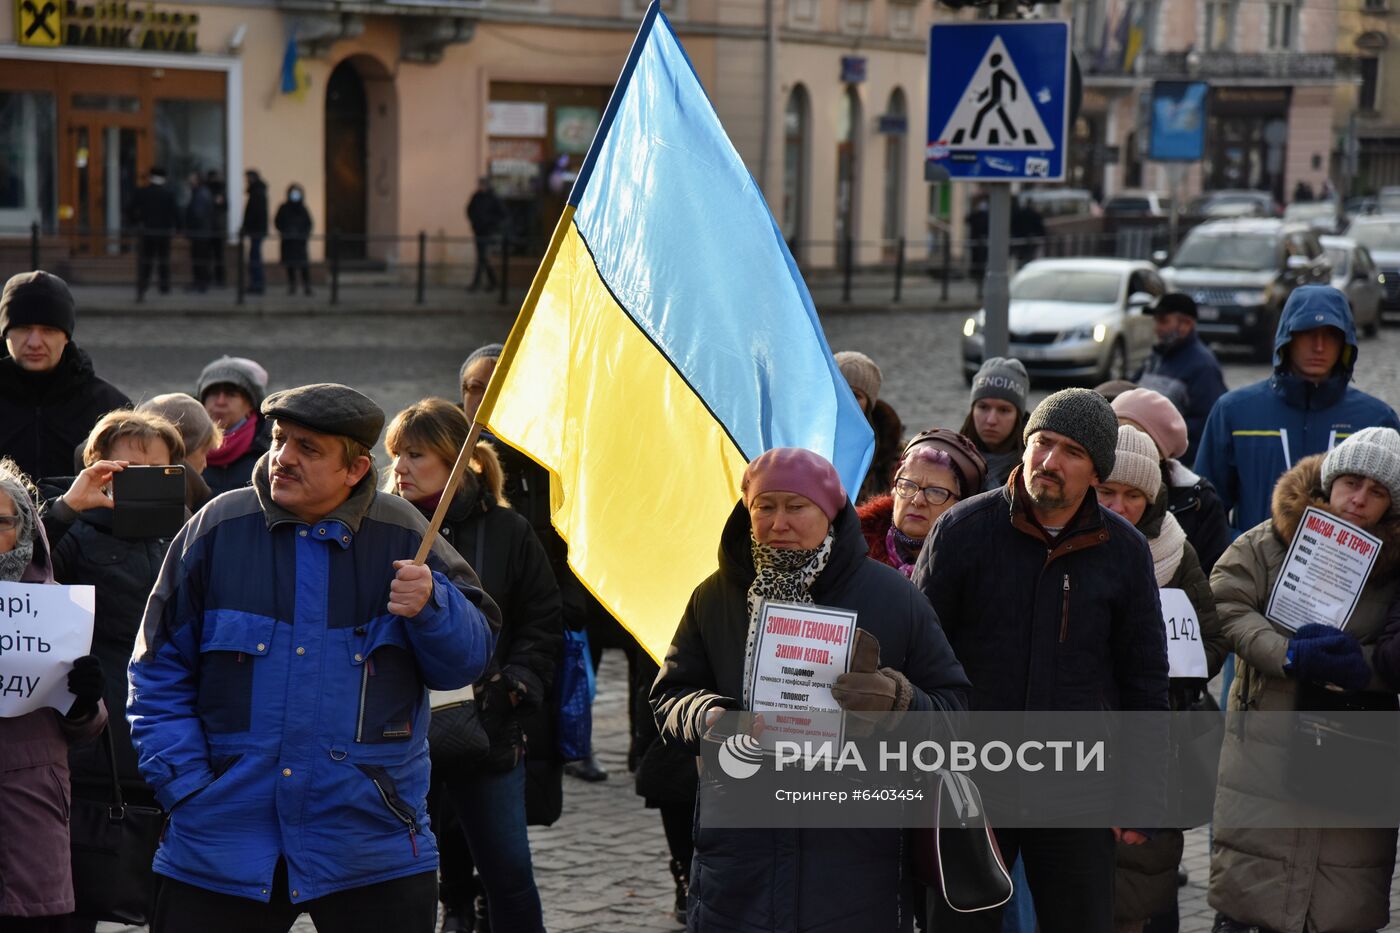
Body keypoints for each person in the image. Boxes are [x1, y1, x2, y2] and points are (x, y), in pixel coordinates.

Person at [127, 383, 500, 933]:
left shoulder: (404, 533)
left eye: (309, 448)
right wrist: (186, 787)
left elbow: (465, 663)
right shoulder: (215, 529)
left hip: (370, 841)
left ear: (354, 469)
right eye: (280, 440)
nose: (284, 457)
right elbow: (156, 671)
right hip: (222, 839)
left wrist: (432, 607)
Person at [651, 447, 969, 931]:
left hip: (856, 860)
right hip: (739, 859)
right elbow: (669, 696)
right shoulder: (714, 597)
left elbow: (955, 715)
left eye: (796, 507)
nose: (779, 522)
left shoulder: (894, 598)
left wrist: (898, 703)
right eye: (765, 506)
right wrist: (708, 716)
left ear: (830, 513)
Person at [913, 388, 1170, 933]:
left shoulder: (1123, 551)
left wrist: (1140, 791)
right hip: (972, 788)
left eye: (1071, 452)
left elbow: (1143, 678)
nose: (1049, 462)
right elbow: (920, 663)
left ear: (1096, 473)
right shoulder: (961, 532)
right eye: (1042, 443)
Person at [1207, 428, 1400, 933]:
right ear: (1329, 480)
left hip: (1354, 753)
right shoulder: (1268, 540)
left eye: (1377, 492)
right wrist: (1286, 653)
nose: (1358, 499)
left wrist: (1363, 665)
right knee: (1254, 893)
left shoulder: (1396, 571)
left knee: (1340, 898)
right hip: (1265, 746)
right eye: (1351, 482)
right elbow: (1224, 604)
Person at [384, 398, 560, 933]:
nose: (402, 468)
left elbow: (543, 622)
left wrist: (513, 687)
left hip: (487, 730)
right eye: (396, 455)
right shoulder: (380, 528)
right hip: (397, 735)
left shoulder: (509, 531)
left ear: (457, 461)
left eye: (416, 454)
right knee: (407, 876)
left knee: (507, 873)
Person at [39, 413, 187, 928]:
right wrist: (63, 510)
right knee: (80, 874)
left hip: (175, 729)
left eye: (156, 467)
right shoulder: (73, 531)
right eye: (128, 466)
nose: (142, 476)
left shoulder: (193, 534)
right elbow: (18, 579)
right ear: (98, 469)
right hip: (92, 728)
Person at [1094, 426, 1225, 933]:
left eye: (1134, 496)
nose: (1121, 505)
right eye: (1108, 491)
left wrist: (1172, 661)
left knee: (1147, 882)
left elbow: (1212, 642)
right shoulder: (1062, 544)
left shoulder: (1177, 550)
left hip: (1156, 740)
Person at [459, 344, 602, 782]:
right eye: (473, 388)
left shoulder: (553, 457)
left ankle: (570, 750)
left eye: (499, 388)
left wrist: (569, 601)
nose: (483, 398)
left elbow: (575, 535)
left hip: (540, 615)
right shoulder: (445, 460)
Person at [1196, 285, 1400, 538]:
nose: (1319, 346)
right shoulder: (1234, 412)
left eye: (1331, 334)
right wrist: (1245, 555)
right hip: (1254, 572)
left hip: (1349, 571)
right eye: (1307, 333)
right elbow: (1205, 511)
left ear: (1346, 342)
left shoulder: (1377, 420)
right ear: (1287, 338)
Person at [0, 459, 107, 932]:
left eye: (0, 522)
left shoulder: (56, 605)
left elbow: (85, 727)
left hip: (30, 802)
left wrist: (84, 700)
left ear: (23, 528)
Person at [0, 271, 130, 482]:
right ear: (5, 333)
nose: (34, 342)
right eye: (23, 328)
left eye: (48, 330)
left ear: (66, 336)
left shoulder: (110, 409)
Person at [1112, 387, 1231, 575]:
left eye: (1138, 435)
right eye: (1114, 432)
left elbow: (1216, 575)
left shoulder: (1198, 501)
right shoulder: (1084, 485)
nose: (1124, 441)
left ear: (1161, 452)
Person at [858, 428, 987, 576]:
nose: (918, 500)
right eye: (907, 485)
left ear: (963, 506)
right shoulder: (851, 549)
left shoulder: (978, 571)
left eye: (936, 491)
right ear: (894, 490)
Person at [1134, 292, 1227, 465]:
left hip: (1174, 465)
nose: (1157, 328)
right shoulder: (1156, 357)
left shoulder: (1203, 367)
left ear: (1186, 325)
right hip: (1147, 458)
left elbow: (1208, 426)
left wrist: (1160, 439)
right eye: (1156, 321)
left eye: (1163, 321)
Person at [198, 355, 272, 497]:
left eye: (230, 394)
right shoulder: (186, 449)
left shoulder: (271, 450)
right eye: (213, 393)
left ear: (251, 404)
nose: (220, 401)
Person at [835, 350, 903, 503]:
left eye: (855, 395)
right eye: (840, 392)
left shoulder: (892, 453)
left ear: (869, 404)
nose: (847, 401)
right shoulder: (808, 441)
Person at [137, 393, 223, 511]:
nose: (205, 463)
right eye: (203, 452)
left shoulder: (110, 492)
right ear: (184, 448)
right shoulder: (205, 510)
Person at [960, 357, 1030, 491]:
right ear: (972, 410)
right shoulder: (950, 461)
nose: (991, 420)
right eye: (983, 407)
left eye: (1004, 410)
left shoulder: (1034, 470)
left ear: (1018, 416)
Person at [131, 166, 179, 300]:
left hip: (146, 232)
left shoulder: (142, 192)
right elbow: (176, 213)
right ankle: (164, 286)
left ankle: (144, 285)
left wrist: (137, 222)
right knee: (164, 260)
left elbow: (130, 210)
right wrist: (178, 228)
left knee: (146, 260)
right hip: (164, 232)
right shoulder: (169, 194)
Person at [466, 177, 505, 292]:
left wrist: (490, 223)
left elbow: (502, 214)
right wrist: (474, 222)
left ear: (487, 185)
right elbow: (469, 210)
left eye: (483, 185)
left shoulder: (493, 198)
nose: (481, 187)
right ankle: (493, 282)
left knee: (482, 257)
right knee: (483, 258)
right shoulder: (476, 197)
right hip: (478, 231)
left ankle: (476, 284)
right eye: (480, 184)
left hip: (488, 232)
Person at [275, 183, 314, 297]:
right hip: (288, 241)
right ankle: (292, 286)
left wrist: (303, 235)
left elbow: (309, 224)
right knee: (290, 265)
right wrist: (285, 232)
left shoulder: (303, 208)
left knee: (303, 265)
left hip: (300, 242)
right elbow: (277, 222)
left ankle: (307, 286)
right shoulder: (284, 208)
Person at [184, 171, 215, 293]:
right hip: (201, 233)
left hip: (200, 233)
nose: (189, 182)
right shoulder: (201, 193)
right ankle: (200, 282)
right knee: (200, 259)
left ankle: (201, 284)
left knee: (200, 259)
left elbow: (198, 214)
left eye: (191, 179)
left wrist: (189, 226)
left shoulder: (201, 194)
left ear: (197, 181)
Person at [241, 170, 270, 295]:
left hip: (256, 231)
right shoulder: (257, 192)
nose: (246, 181)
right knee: (254, 256)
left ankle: (257, 284)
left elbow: (254, 215)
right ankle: (256, 283)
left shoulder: (257, 193)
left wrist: (247, 227)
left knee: (255, 257)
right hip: (257, 230)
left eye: (248, 178)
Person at [206, 169, 228, 287]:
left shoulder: (220, 190)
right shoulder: (208, 190)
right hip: (213, 227)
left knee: (217, 255)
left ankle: (219, 279)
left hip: (216, 228)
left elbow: (224, 207)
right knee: (210, 256)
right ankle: (213, 278)